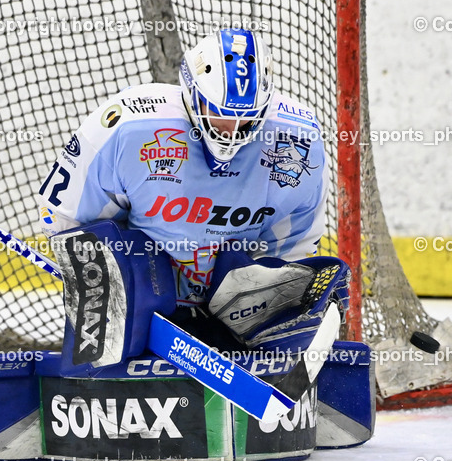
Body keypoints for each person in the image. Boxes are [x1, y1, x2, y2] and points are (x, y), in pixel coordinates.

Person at [38, 28, 343, 358]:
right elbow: (65, 217)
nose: (231, 130)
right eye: (219, 113)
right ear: (193, 95)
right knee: (133, 259)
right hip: (146, 299)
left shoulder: (296, 140)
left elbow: (294, 250)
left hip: (228, 307)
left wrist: (277, 308)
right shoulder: (130, 126)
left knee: (295, 287)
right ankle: (110, 361)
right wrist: (105, 284)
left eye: (246, 120)